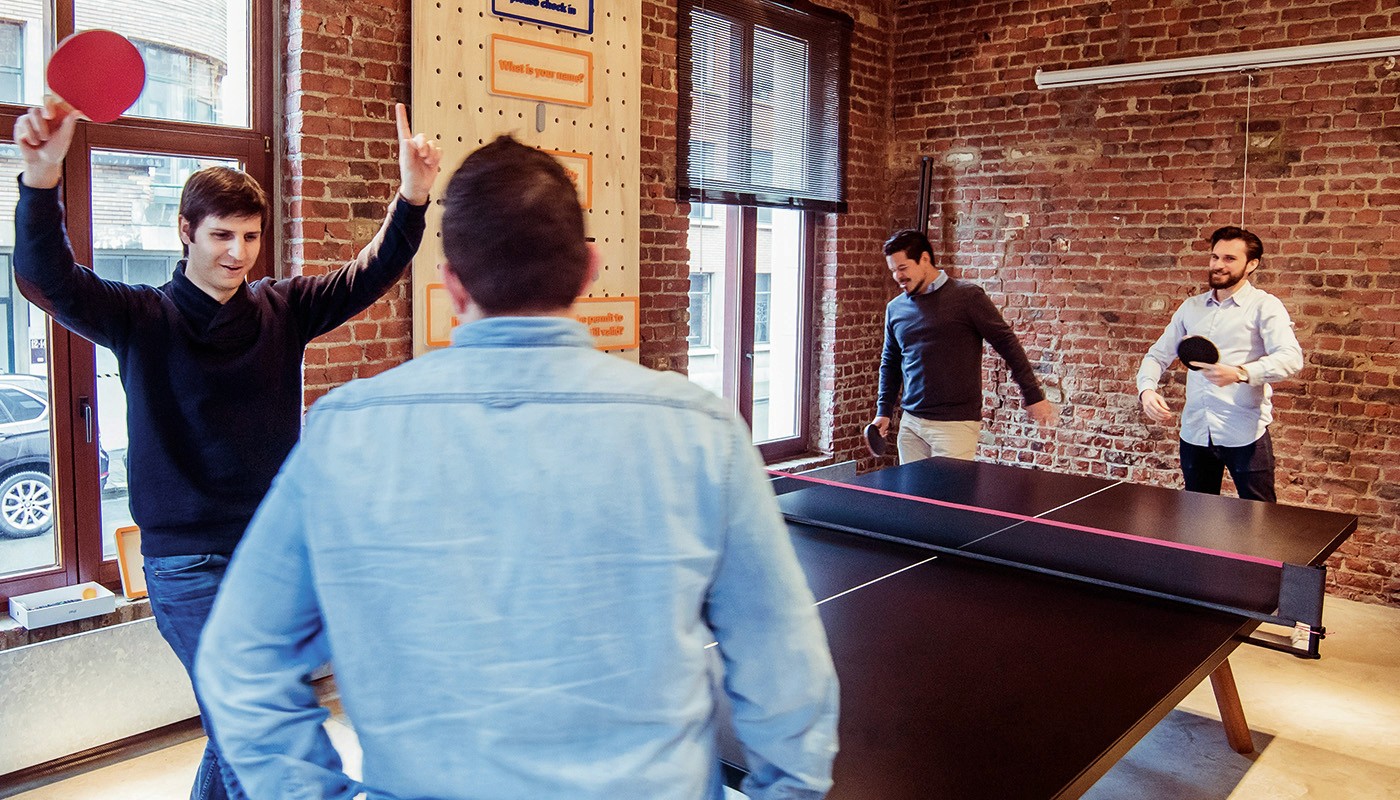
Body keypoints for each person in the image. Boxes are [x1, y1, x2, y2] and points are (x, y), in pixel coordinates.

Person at [193, 136, 839, 800]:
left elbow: (239, 665)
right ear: (590, 270)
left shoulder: (341, 435)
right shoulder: (704, 435)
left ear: (450, 284)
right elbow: (786, 671)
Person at [11, 100, 441, 800]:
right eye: (221, 235)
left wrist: (412, 196)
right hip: (185, 563)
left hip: (271, 551)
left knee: (239, 722)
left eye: (249, 235)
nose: (238, 251)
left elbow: (371, 272)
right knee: (251, 725)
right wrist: (41, 176)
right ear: (185, 232)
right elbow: (46, 277)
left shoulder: (284, 310)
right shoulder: (142, 318)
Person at [1137, 226, 1303, 502]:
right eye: (1215, 257)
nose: (1218, 265)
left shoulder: (1265, 306)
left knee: (1260, 519)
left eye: (1229, 259)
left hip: (1245, 434)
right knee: (1198, 518)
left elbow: (1290, 357)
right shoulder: (1191, 308)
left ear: (1252, 264)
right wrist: (1147, 390)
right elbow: (1157, 355)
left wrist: (1241, 373)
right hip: (1195, 433)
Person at [871, 229, 1057, 462]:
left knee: (949, 497)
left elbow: (1006, 343)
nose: (897, 276)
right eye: (893, 271)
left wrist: (1033, 395)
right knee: (913, 499)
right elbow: (890, 362)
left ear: (925, 259)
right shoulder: (895, 308)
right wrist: (884, 411)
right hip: (911, 424)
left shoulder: (967, 297)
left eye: (903, 268)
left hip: (954, 426)